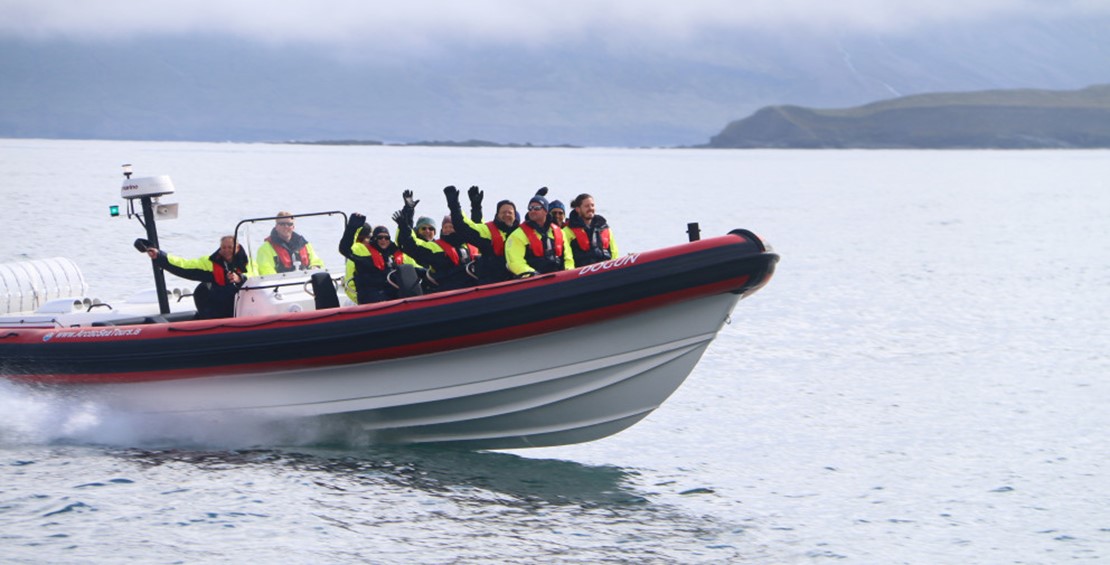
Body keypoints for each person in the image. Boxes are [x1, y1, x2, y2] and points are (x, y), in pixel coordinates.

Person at [143, 235, 250, 319]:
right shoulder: (209, 262)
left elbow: (256, 278)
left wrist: (239, 278)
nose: (226, 251)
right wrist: (159, 256)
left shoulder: (249, 263)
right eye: (223, 247)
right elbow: (184, 265)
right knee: (202, 289)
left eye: (230, 247)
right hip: (220, 310)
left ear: (237, 247)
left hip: (246, 306)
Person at [393, 194, 479, 292]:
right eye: (423, 228)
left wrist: (476, 208)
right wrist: (406, 219)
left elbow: (477, 230)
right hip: (438, 287)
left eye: (431, 229)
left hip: (470, 287)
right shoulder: (434, 248)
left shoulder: (468, 245)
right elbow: (407, 242)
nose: (427, 231)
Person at [443, 185, 520, 284]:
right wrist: (454, 205)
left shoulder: (521, 233)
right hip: (492, 284)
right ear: (497, 215)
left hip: (518, 279)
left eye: (510, 213)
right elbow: (464, 227)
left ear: (515, 216)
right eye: (503, 212)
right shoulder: (488, 232)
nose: (506, 215)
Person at [339, 214, 414, 304]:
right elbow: (345, 249)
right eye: (380, 238)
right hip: (372, 301)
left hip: (396, 300)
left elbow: (407, 242)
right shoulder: (364, 259)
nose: (383, 240)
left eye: (386, 238)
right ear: (374, 239)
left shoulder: (396, 258)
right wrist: (352, 227)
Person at [505, 193, 574, 277]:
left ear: (545, 211)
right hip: (533, 282)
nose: (532, 211)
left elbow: (568, 258)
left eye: (537, 208)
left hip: (559, 279)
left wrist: (568, 272)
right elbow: (515, 262)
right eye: (530, 208)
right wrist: (534, 276)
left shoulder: (559, 232)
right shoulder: (517, 235)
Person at [254, 212, 325, 275]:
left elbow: (316, 261)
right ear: (276, 227)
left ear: (293, 227)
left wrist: (315, 267)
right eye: (282, 224)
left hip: (306, 283)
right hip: (279, 286)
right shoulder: (265, 249)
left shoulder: (305, 244)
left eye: (289, 224)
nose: (286, 226)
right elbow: (266, 271)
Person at [563, 193, 619, 267]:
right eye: (587, 206)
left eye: (592, 205)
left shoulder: (605, 228)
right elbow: (568, 257)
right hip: (581, 272)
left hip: (606, 270)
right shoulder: (567, 231)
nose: (590, 208)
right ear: (578, 209)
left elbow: (614, 253)